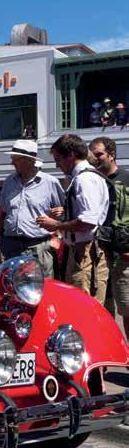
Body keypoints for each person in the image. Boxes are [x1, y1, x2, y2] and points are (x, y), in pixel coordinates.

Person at [37, 134, 110, 304]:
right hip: (83, 251)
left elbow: (88, 221)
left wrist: (56, 224)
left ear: (71, 155)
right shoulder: (85, 177)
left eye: (58, 159)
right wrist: (66, 213)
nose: (57, 165)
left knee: (84, 306)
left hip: (86, 252)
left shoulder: (85, 179)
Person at [0, 140, 65, 279]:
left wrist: (58, 237)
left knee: (42, 286)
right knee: (11, 286)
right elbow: (4, 212)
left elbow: (64, 212)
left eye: (16, 159)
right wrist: (1, 241)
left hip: (39, 246)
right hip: (11, 246)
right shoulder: (9, 182)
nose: (12, 162)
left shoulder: (50, 182)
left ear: (29, 160)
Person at [90, 136, 129, 329]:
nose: (94, 159)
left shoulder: (127, 179)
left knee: (127, 309)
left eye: (99, 154)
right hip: (99, 254)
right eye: (92, 155)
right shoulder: (92, 181)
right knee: (102, 309)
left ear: (112, 155)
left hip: (124, 256)